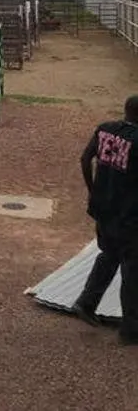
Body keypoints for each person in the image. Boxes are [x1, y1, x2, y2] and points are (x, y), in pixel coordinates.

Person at [72, 95, 138, 344]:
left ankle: (86, 302)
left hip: (103, 209)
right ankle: (131, 330)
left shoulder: (105, 130)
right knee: (132, 271)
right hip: (129, 215)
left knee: (109, 255)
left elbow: (84, 158)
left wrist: (93, 190)